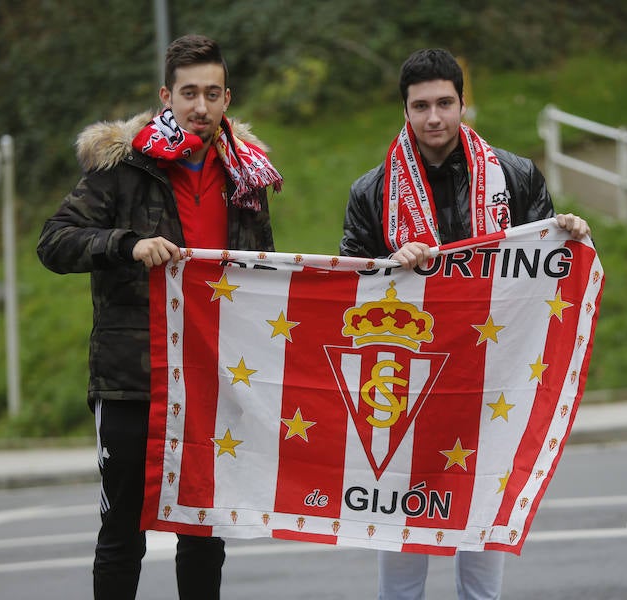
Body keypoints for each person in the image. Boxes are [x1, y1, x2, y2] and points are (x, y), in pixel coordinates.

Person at [37, 34, 282, 600]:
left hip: (213, 378)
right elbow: (55, 243)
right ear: (165, 96)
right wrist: (127, 245)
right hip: (133, 380)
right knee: (122, 533)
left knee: (203, 534)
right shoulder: (124, 166)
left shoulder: (248, 176)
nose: (200, 106)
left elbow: (264, 273)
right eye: (189, 93)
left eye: (212, 93)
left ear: (228, 98)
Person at [340, 48, 591, 600]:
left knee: (484, 526)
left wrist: (564, 233)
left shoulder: (516, 175)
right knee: (404, 532)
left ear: (463, 103)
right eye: (421, 105)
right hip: (405, 387)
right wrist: (389, 266)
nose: (435, 118)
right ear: (404, 111)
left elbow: (544, 273)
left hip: (492, 380)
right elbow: (348, 294)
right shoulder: (372, 192)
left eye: (445, 103)